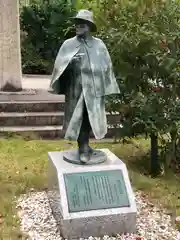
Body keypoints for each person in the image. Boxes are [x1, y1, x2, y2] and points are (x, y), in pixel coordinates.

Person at [50, 9, 120, 163]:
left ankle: (86, 145)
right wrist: (71, 63)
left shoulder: (99, 45)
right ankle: (82, 147)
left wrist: (105, 85)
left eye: (82, 23)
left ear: (89, 26)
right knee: (78, 118)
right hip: (76, 89)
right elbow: (58, 67)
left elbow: (107, 66)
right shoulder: (68, 44)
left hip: (94, 90)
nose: (78, 26)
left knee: (90, 118)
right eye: (76, 23)